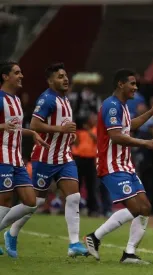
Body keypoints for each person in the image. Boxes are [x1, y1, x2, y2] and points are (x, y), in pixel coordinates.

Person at [3, 63, 88, 257]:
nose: (65, 79)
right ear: (50, 81)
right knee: (35, 202)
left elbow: (62, 125)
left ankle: (74, 244)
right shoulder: (47, 99)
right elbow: (34, 124)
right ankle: (11, 232)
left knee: (74, 197)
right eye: (60, 77)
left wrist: (68, 136)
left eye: (65, 76)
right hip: (45, 157)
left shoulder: (65, 99)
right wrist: (61, 131)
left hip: (64, 156)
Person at [84, 69, 153, 264]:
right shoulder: (112, 106)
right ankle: (95, 237)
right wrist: (145, 143)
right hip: (111, 165)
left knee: (145, 207)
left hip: (124, 165)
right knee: (136, 208)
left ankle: (129, 253)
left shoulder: (122, 106)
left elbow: (129, 126)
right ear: (120, 84)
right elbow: (116, 136)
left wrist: (151, 113)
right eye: (132, 84)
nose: (135, 88)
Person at [0, 61, 47, 257]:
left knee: (30, 201)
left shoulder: (17, 100)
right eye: (17, 73)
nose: (21, 76)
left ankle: (7, 235)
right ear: (5, 76)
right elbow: (5, 126)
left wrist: (31, 133)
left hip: (16, 156)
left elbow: (15, 127)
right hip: (1, 153)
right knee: (5, 199)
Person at [72, 113, 98, 216]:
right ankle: (75, 209)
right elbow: (75, 143)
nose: (93, 120)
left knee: (91, 186)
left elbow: (96, 139)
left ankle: (92, 209)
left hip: (90, 160)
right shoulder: (78, 132)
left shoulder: (95, 130)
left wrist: (88, 130)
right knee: (76, 185)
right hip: (78, 159)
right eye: (91, 118)